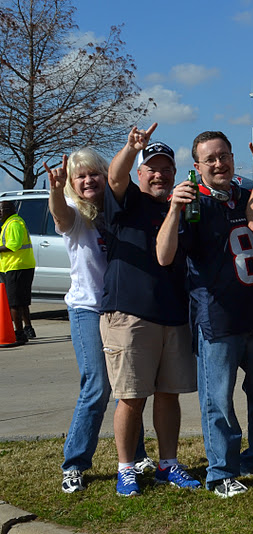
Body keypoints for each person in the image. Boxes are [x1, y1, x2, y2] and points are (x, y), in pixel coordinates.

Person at [156, 131, 253, 498]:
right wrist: (174, 209)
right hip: (217, 316)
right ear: (196, 167)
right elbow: (164, 256)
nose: (218, 163)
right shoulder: (193, 203)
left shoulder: (245, 195)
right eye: (209, 159)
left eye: (223, 155)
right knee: (218, 398)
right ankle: (220, 471)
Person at [46, 150, 153, 493]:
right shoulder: (77, 214)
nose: (88, 181)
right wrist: (56, 190)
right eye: (81, 177)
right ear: (73, 184)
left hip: (121, 310)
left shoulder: (116, 210)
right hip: (88, 310)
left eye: (94, 174)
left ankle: (136, 455)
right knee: (97, 387)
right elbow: (60, 217)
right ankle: (74, 464)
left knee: (129, 386)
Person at [102, 124, 200, 496]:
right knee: (131, 395)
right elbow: (114, 175)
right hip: (129, 314)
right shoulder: (127, 202)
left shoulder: (183, 207)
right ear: (140, 173)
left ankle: (168, 463)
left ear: (175, 173)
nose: (159, 174)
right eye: (151, 168)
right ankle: (126, 468)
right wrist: (130, 147)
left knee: (168, 393)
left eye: (166, 168)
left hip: (173, 314)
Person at [0, 200, 35, 344]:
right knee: (21, 301)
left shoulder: (13, 223)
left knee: (14, 302)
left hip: (16, 266)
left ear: (8, 210)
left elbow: (13, 245)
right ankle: (28, 328)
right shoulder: (11, 222)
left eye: (1, 211)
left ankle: (20, 334)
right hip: (17, 266)